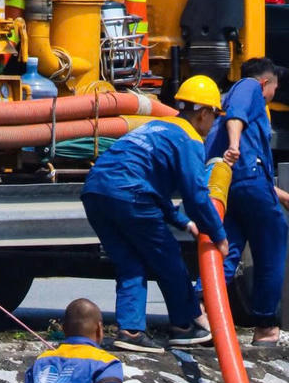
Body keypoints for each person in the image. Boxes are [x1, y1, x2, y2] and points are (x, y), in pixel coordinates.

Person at [82, 76, 228, 353]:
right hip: (129, 193)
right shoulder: (189, 139)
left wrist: (183, 222)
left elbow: (150, 184)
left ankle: (131, 331)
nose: (213, 124)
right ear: (204, 113)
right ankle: (185, 326)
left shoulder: (155, 127)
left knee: (130, 262)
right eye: (215, 116)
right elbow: (196, 195)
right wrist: (219, 236)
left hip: (95, 191)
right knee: (168, 258)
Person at [207, 57, 289, 344]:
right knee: (272, 241)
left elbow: (251, 173)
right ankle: (266, 326)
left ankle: (201, 313)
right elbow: (237, 117)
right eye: (274, 88)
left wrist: (284, 197)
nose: (273, 94)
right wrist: (234, 145)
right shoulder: (249, 88)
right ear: (266, 82)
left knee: (227, 250)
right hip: (245, 181)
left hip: (230, 185)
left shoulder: (229, 102)